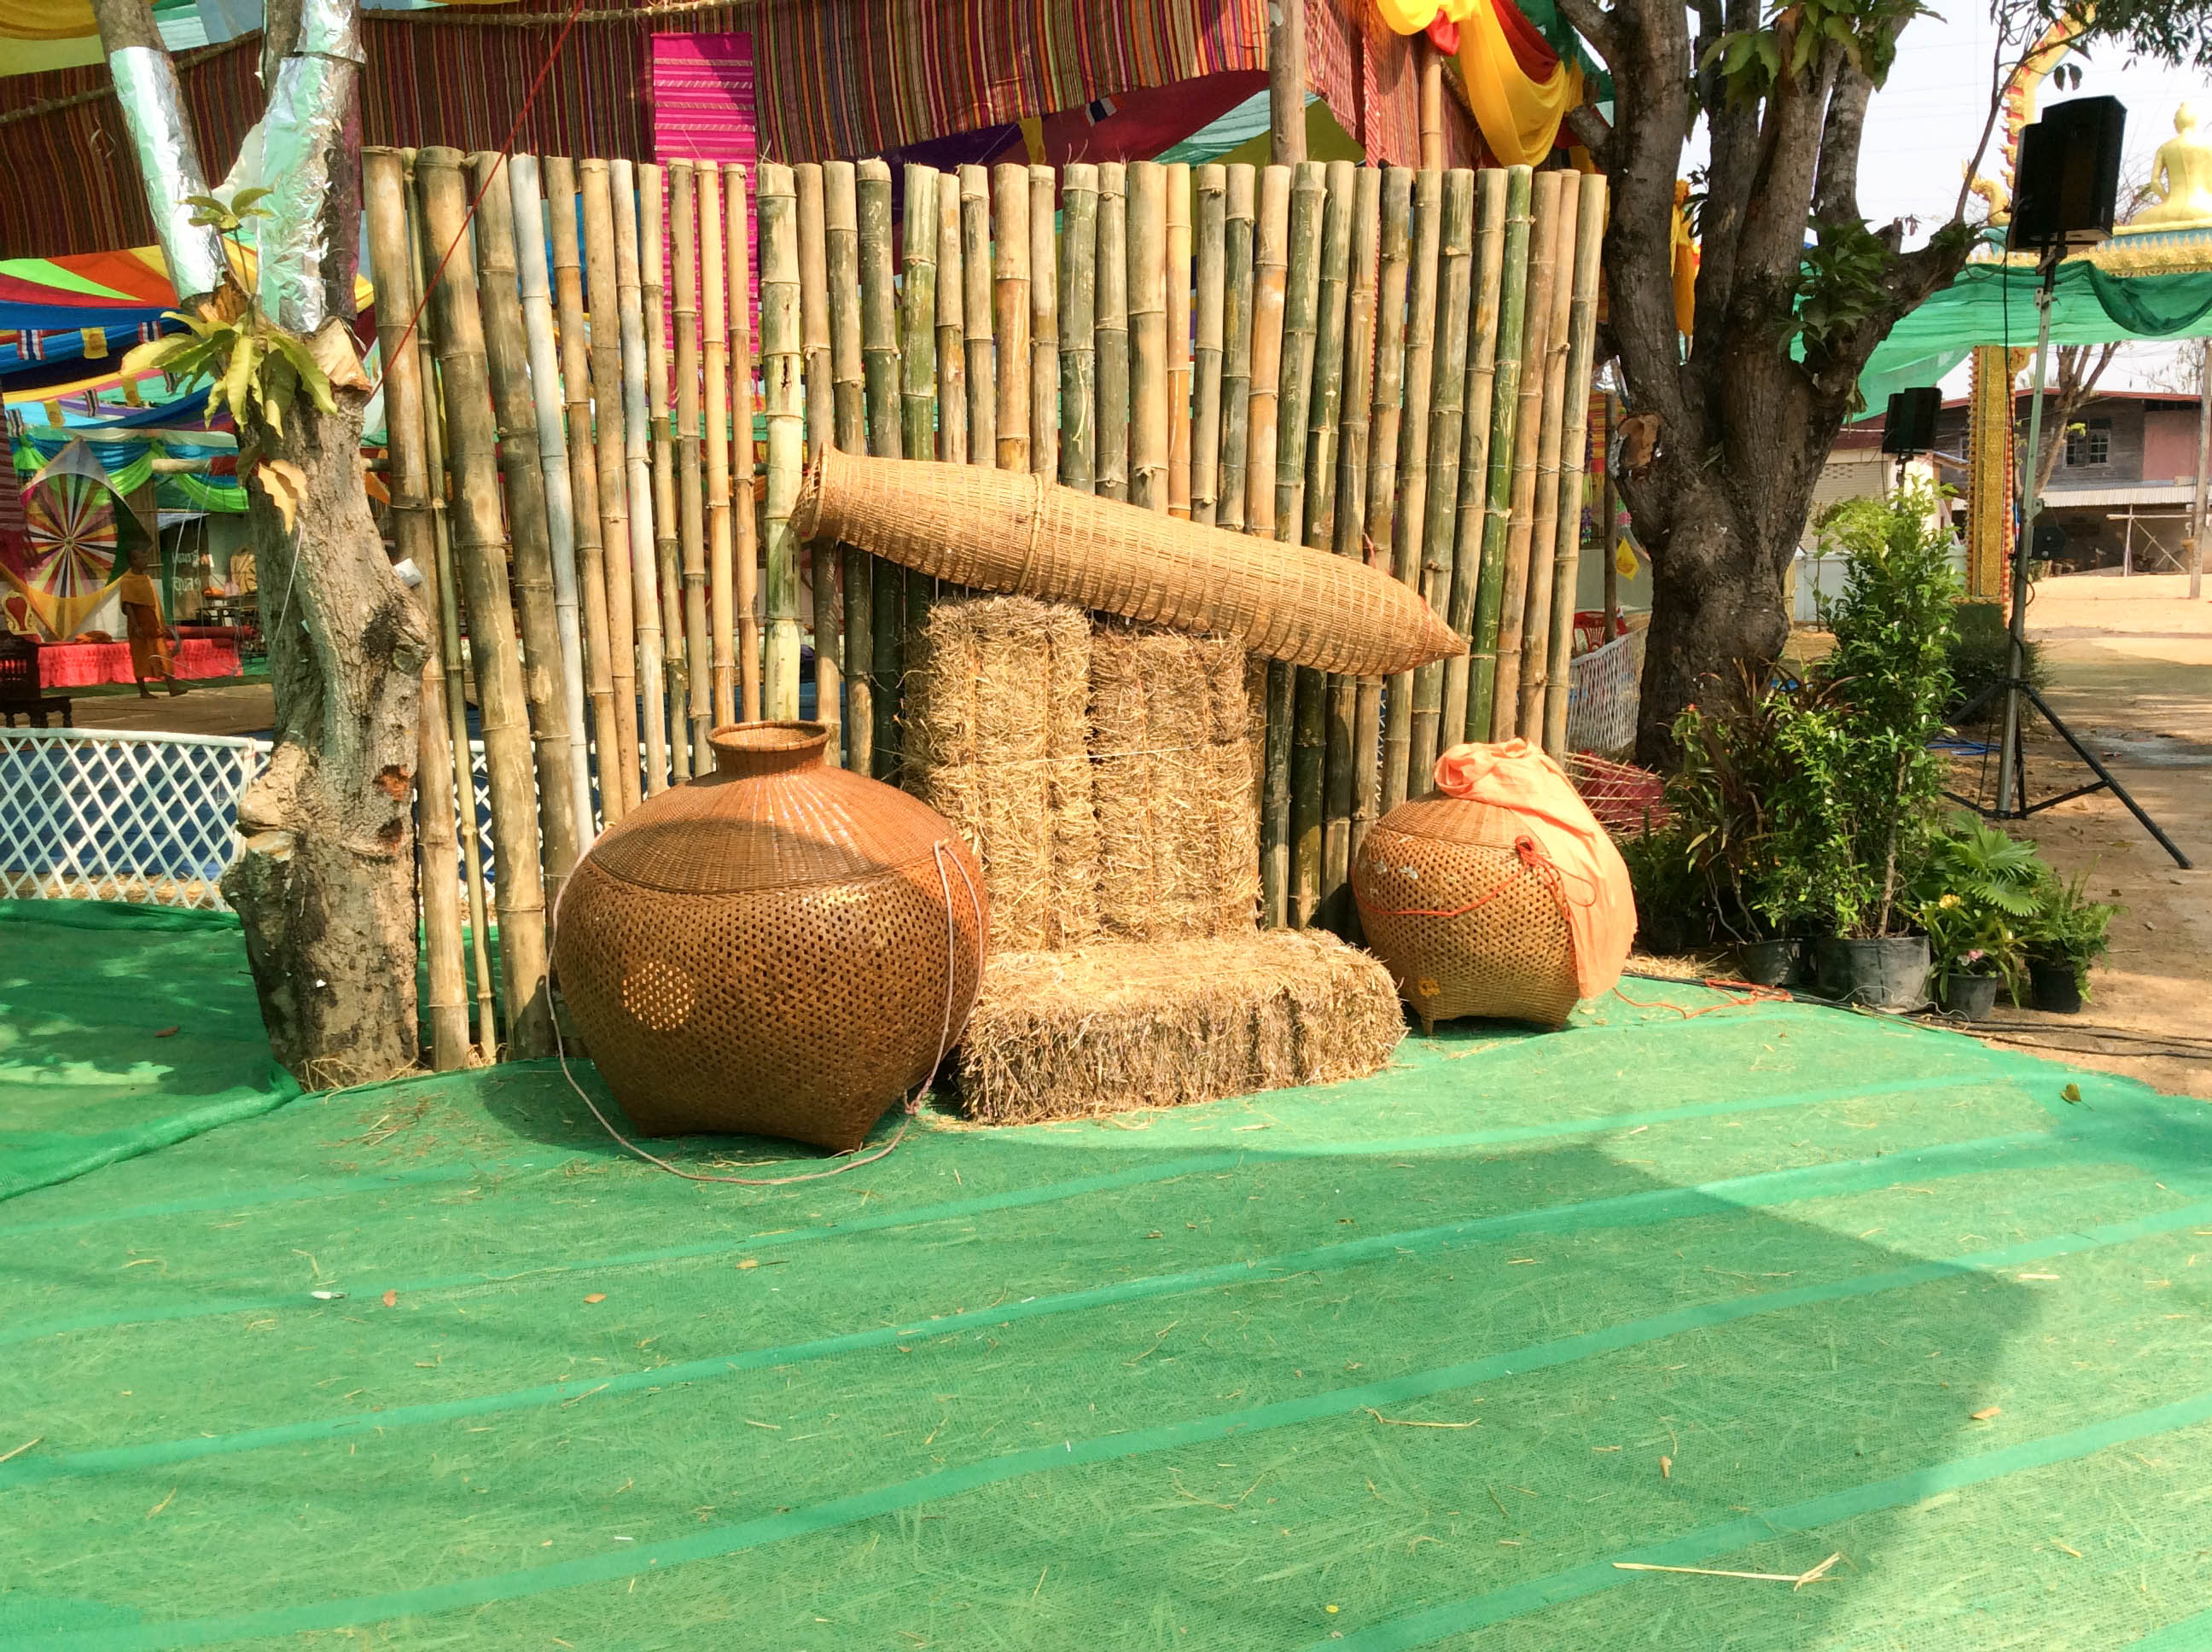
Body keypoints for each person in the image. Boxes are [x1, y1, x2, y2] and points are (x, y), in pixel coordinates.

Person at [117, 545, 185, 698]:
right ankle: (143, 690)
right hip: (138, 623)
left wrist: (161, 621)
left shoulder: (146, 579)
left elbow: (154, 602)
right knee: (140, 656)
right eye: (142, 558)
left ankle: (172, 687)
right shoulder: (127, 580)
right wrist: (135, 626)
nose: (145, 560)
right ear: (133, 561)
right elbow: (128, 605)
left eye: (145, 557)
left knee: (163, 653)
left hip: (153, 623)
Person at [2136, 104, 2212, 231]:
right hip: (2206, 206)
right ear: (2195, 122)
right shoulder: (2208, 146)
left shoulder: (2165, 147)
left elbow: (2155, 182)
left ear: (2175, 123)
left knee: (2138, 220)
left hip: (2171, 208)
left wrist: (2167, 200)